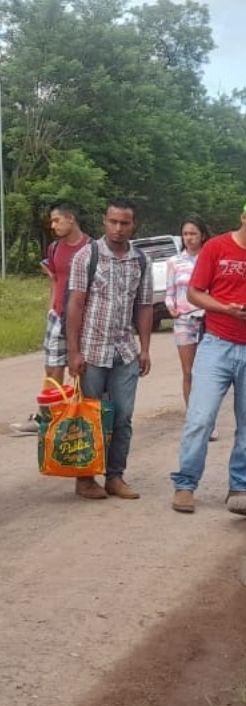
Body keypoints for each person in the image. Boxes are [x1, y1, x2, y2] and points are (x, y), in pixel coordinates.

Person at [170, 194, 246, 514]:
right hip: (217, 342)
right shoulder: (216, 248)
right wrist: (225, 308)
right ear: (244, 218)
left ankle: (240, 488)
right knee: (200, 416)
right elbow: (194, 293)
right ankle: (185, 484)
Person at [65, 198, 153, 500]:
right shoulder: (86, 257)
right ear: (105, 221)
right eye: (113, 222)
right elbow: (75, 304)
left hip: (125, 351)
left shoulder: (141, 260)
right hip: (92, 351)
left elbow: (143, 306)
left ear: (133, 225)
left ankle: (115, 476)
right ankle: (85, 478)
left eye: (124, 223)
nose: (118, 228)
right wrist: (73, 352)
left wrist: (145, 348)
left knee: (123, 416)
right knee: (89, 415)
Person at [9, 203, 91, 435]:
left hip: (84, 318)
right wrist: (51, 309)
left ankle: (81, 418)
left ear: (71, 219)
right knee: (52, 368)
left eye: (57, 220)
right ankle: (46, 417)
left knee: (83, 370)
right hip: (58, 316)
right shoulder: (54, 248)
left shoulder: (92, 248)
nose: (52, 225)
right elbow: (54, 279)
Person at [165, 215, 212, 408]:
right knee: (188, 370)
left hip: (208, 319)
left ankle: (208, 417)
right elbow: (170, 293)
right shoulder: (174, 262)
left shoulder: (210, 259)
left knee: (207, 371)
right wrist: (171, 307)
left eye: (193, 233)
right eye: (185, 234)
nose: (189, 238)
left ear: (202, 236)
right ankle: (193, 414)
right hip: (184, 320)